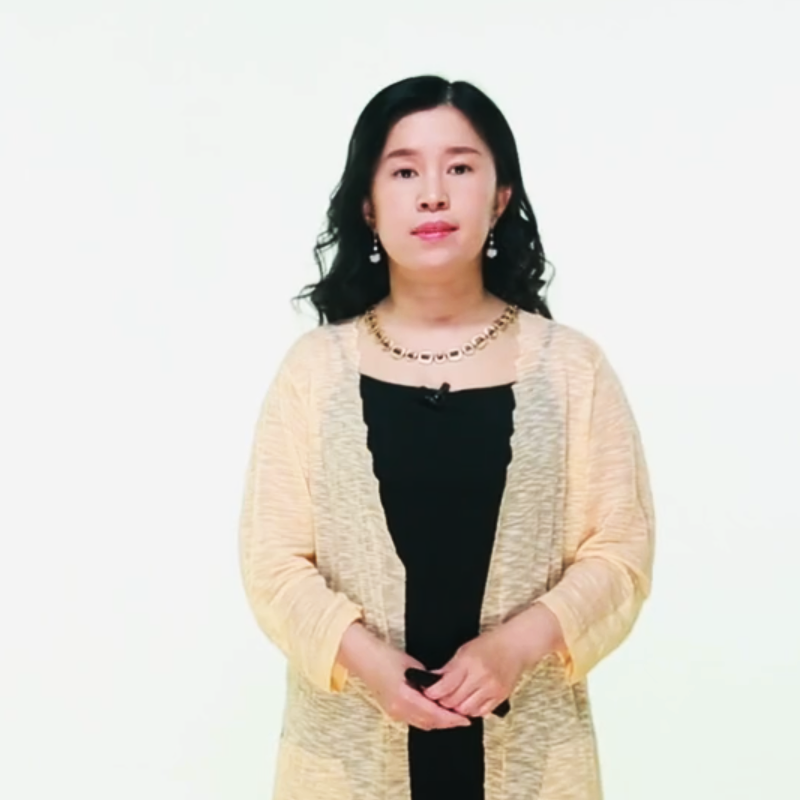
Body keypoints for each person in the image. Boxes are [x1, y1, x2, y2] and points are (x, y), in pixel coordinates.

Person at [237, 74, 656, 800]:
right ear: (368, 205)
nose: (433, 194)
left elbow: (620, 551)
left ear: (501, 196)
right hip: (347, 759)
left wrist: (515, 648)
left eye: (460, 168)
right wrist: (368, 664)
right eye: (404, 171)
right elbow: (273, 562)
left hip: (531, 757)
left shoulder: (571, 368)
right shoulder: (315, 371)